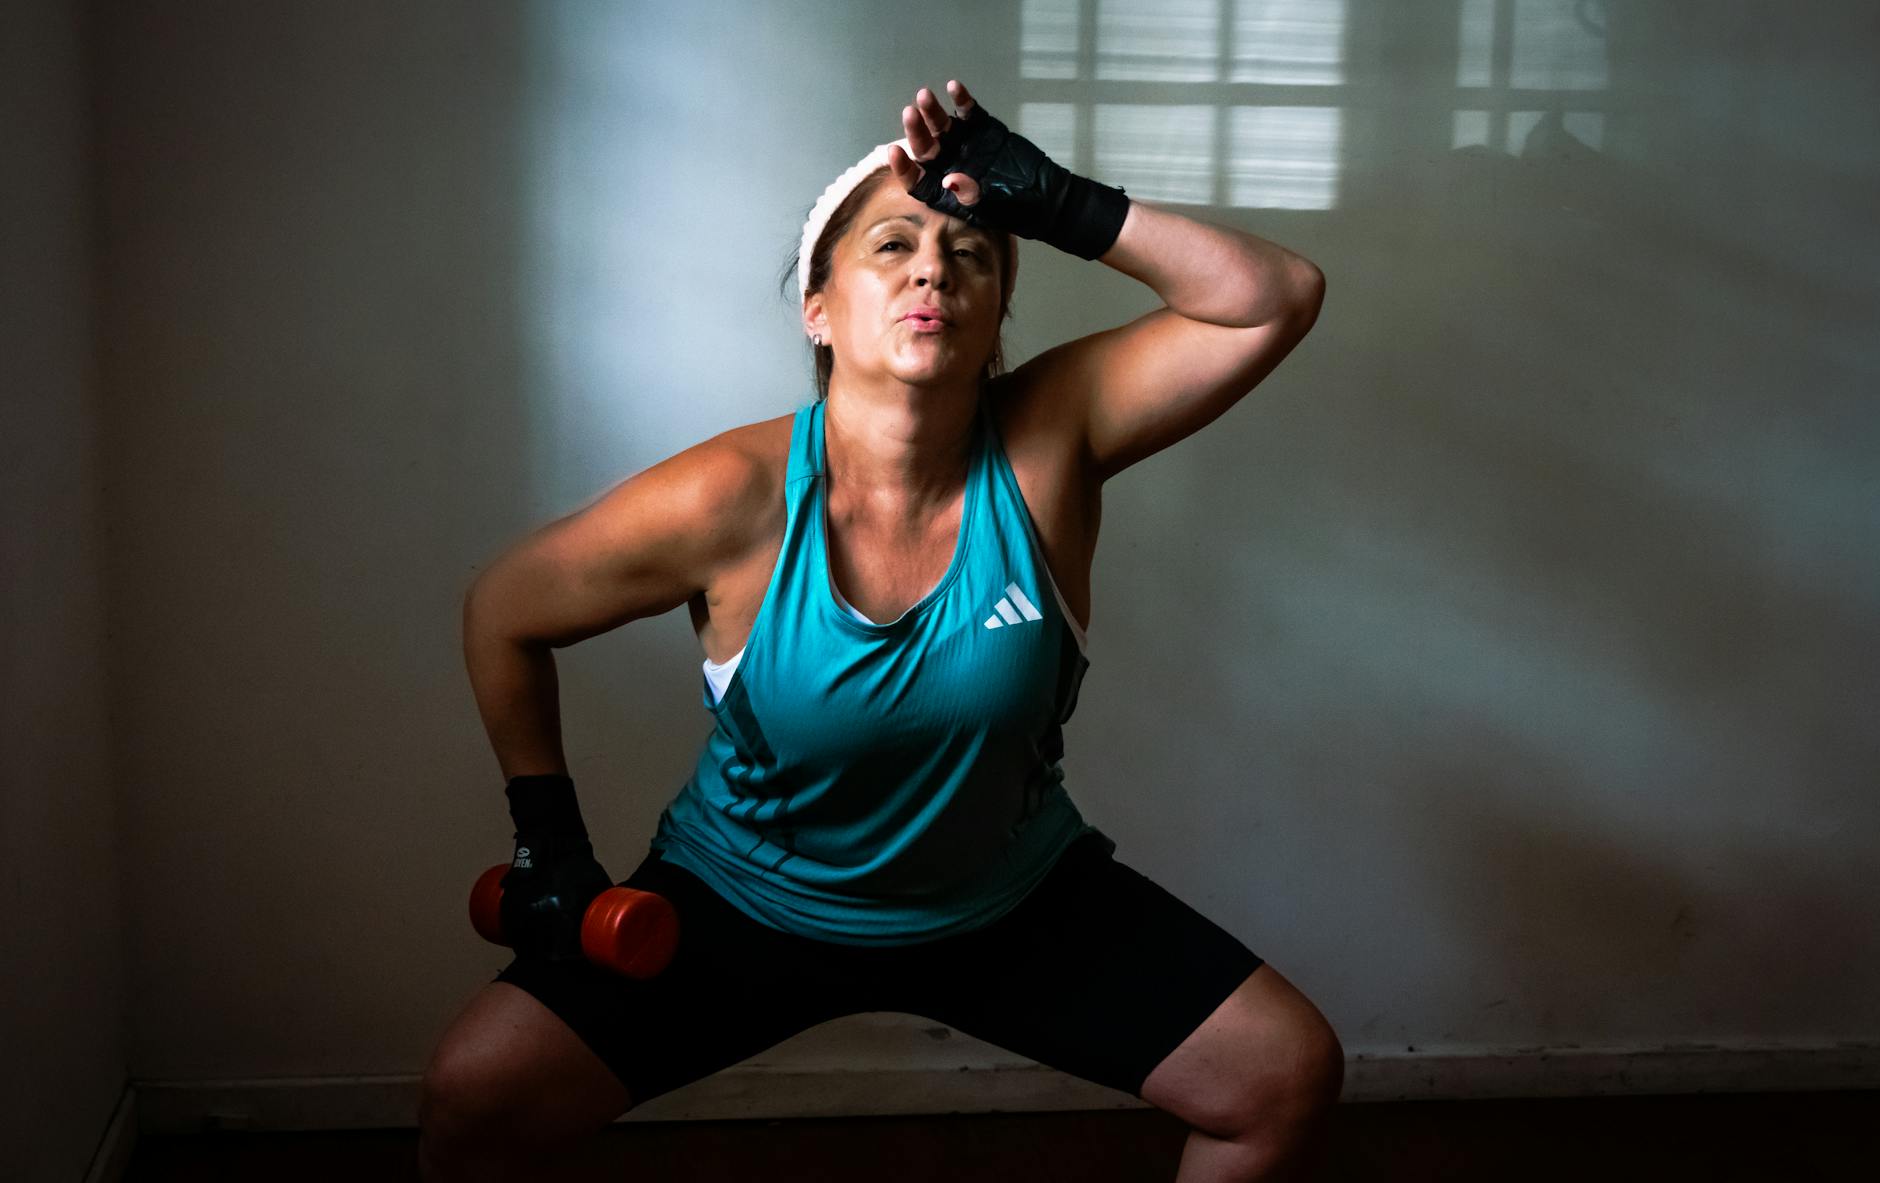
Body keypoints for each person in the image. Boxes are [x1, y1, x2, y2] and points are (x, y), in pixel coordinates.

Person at [421, 79, 1340, 1183]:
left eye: (971, 254)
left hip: (1007, 900)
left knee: (1279, 1073)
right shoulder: (728, 498)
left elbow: (1275, 296)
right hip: (744, 901)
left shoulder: (1048, 437)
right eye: (893, 244)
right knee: (475, 1093)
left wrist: (1060, 202)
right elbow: (504, 611)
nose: (932, 270)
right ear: (817, 308)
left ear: (994, 318)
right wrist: (550, 839)